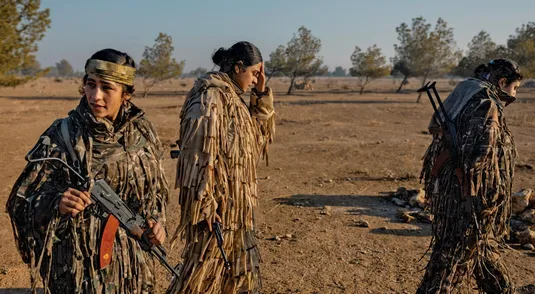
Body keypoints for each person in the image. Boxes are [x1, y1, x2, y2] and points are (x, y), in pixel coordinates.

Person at [6, 48, 169, 293]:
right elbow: (19, 202)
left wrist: (156, 224)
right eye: (91, 85)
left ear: (126, 93)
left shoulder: (144, 133)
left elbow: (154, 194)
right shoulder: (62, 135)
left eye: (107, 87)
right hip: (79, 273)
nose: (96, 96)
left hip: (133, 272)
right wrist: (56, 204)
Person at [167, 41, 275, 294]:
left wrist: (260, 94)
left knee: (238, 277)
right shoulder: (210, 98)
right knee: (202, 277)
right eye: (255, 73)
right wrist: (204, 204)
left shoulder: (234, 99)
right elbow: (197, 155)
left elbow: (256, 140)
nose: (257, 78)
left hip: (238, 211)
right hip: (216, 213)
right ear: (239, 68)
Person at [418, 59, 522, 293]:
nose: (514, 96)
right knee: (451, 262)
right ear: (503, 82)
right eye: (514, 88)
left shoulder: (466, 92)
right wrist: (486, 198)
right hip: (469, 198)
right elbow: (476, 158)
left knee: (482, 252)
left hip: (453, 190)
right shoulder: (486, 104)